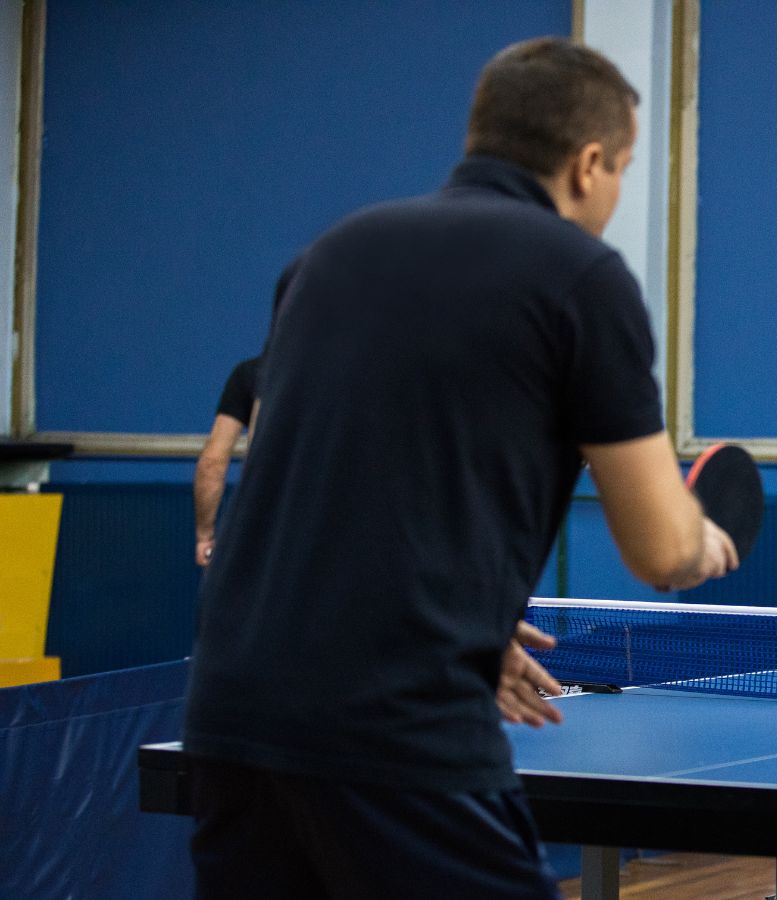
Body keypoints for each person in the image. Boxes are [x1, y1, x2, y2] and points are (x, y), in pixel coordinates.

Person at [183, 38, 737, 899]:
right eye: (625, 169)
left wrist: (455, 616)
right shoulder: (580, 277)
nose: (618, 192)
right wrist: (707, 542)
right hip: (393, 731)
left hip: (232, 721)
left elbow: (329, 485)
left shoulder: (325, 258)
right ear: (589, 164)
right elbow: (660, 552)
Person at [193, 356, 259, 567]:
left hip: (264, 526)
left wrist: (205, 538)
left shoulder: (252, 373)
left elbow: (212, 462)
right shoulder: (349, 375)